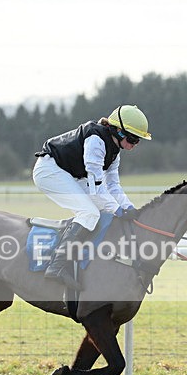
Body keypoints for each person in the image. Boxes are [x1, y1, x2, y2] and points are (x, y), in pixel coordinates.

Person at [32, 104, 152, 290]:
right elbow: (97, 185)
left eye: (138, 141)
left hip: (69, 173)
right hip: (49, 170)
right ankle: (57, 266)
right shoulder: (96, 140)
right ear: (118, 131)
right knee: (90, 213)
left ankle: (84, 259)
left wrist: (129, 207)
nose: (134, 145)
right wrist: (117, 209)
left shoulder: (114, 151)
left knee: (100, 210)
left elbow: (113, 185)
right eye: (133, 139)